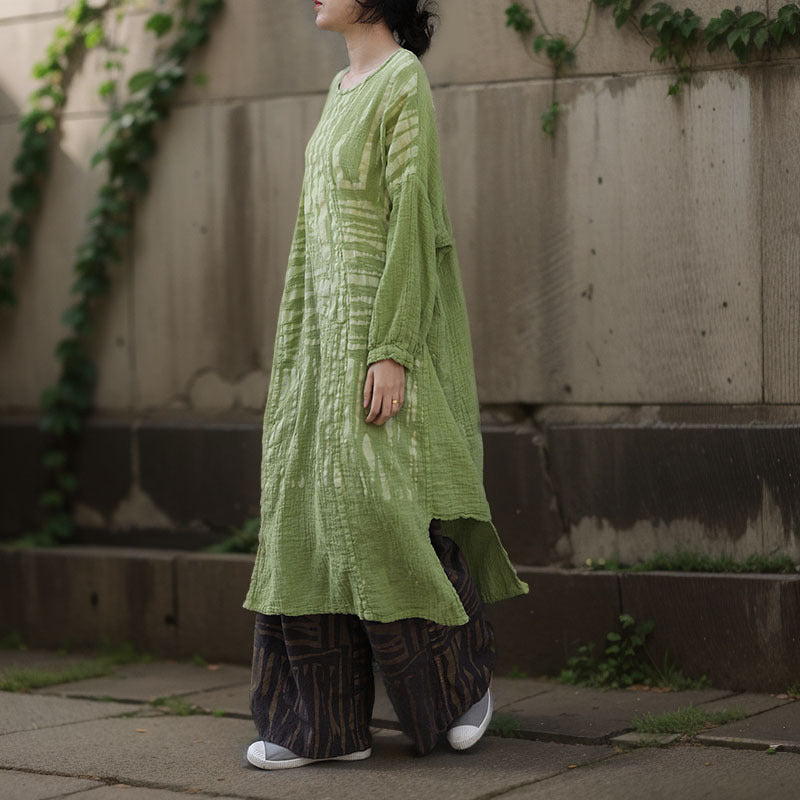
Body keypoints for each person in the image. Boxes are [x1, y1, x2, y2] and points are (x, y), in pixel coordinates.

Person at [242, 0, 529, 769]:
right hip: (320, 341)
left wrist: (393, 348)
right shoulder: (339, 89)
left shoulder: (402, 80)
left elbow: (413, 219)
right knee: (306, 517)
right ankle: (321, 727)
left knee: (384, 509)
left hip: (377, 336)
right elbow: (313, 235)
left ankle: (461, 687)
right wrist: (300, 353)